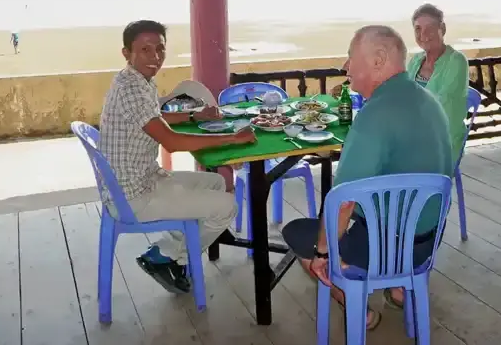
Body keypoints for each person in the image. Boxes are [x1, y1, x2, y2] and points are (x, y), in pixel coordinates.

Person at [281, 25, 453, 330]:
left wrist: (324, 252)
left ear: (378, 60)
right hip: (428, 242)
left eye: (351, 57)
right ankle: (401, 290)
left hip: (389, 248)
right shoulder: (428, 101)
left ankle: (359, 308)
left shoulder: (374, 115)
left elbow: (344, 201)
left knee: (297, 231)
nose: (346, 66)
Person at [99, 19, 256, 294]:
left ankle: (170, 249)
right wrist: (233, 137)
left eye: (160, 49)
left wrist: (196, 115)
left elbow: (156, 117)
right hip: (134, 196)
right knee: (227, 207)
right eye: (145, 49)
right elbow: (171, 141)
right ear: (126, 53)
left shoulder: (135, 80)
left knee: (218, 185)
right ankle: (170, 257)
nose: (155, 57)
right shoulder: (132, 89)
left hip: (141, 179)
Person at [406, 4, 469, 157]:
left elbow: (442, 109)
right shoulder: (416, 61)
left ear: (443, 29)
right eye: (418, 29)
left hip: (442, 145)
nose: (423, 34)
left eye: (430, 28)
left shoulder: (456, 61)